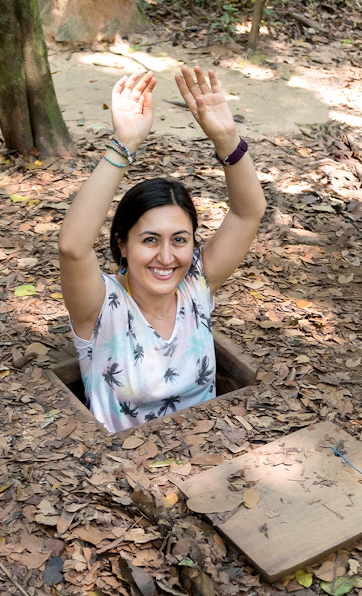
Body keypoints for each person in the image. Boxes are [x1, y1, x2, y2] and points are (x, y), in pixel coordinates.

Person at [59, 66, 266, 433]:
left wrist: (228, 139)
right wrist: (123, 145)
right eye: (150, 239)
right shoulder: (100, 307)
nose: (167, 257)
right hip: (123, 477)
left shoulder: (196, 285)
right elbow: (73, 247)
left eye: (180, 240)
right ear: (122, 242)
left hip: (209, 459)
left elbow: (248, 212)